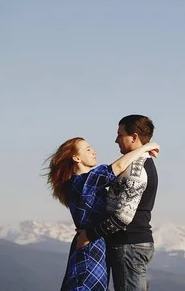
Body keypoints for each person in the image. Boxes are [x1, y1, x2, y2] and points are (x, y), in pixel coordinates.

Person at [45, 136, 160, 291]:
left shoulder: (81, 183)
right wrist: (145, 147)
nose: (94, 152)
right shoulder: (85, 182)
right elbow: (118, 167)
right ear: (76, 158)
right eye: (88, 149)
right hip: (90, 249)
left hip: (93, 246)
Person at [77, 114, 158, 291]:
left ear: (134, 137)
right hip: (132, 243)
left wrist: (89, 235)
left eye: (120, 135)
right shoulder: (138, 162)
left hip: (129, 243)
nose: (116, 140)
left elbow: (122, 217)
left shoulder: (135, 170)